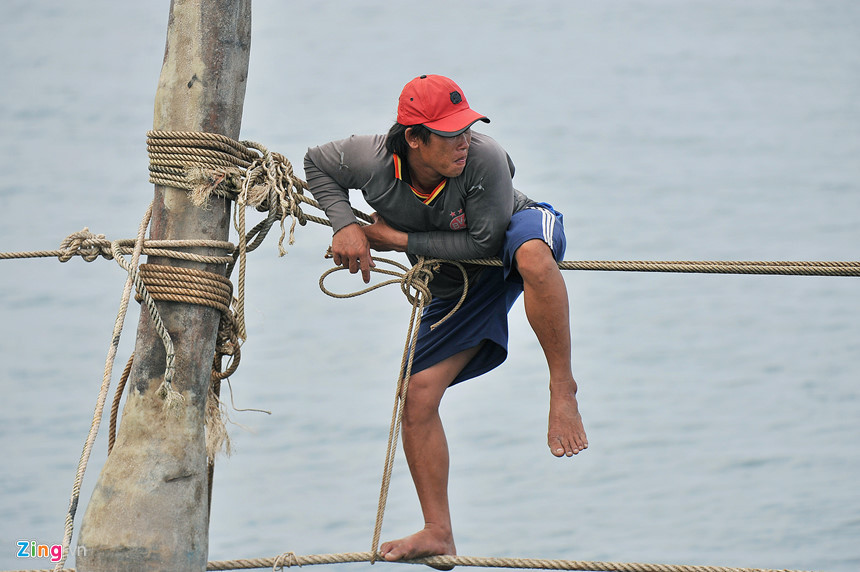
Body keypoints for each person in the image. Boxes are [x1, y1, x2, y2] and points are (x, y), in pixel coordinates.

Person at [304, 74, 588, 562]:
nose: (464, 142)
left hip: (510, 233)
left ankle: (562, 388)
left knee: (534, 257)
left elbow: (483, 242)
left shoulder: (486, 158)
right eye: (450, 133)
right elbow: (315, 164)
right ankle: (438, 531)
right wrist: (345, 224)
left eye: (467, 129)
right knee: (416, 396)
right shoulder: (368, 159)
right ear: (414, 138)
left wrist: (395, 241)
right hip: (455, 278)